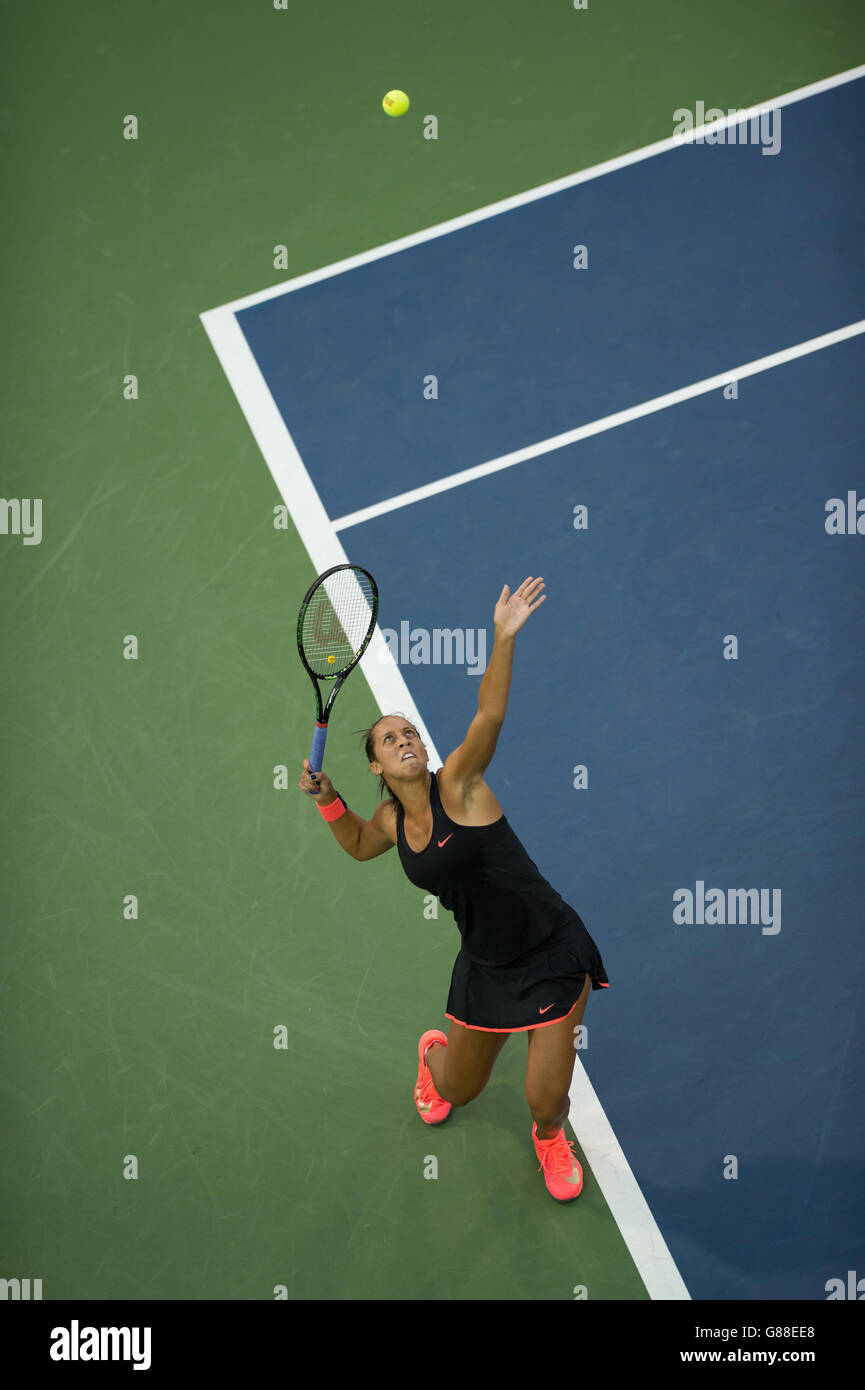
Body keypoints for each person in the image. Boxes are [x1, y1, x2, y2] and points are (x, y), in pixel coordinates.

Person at [298, 577, 609, 1201]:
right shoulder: (390, 820)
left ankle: (550, 1137)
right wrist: (331, 802)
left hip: (551, 950)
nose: (405, 741)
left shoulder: (459, 785)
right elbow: (361, 845)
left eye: (409, 733)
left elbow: (489, 714)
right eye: (390, 740)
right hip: (487, 967)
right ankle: (431, 1055)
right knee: (457, 1090)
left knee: (545, 1098)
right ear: (376, 767)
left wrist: (503, 637)